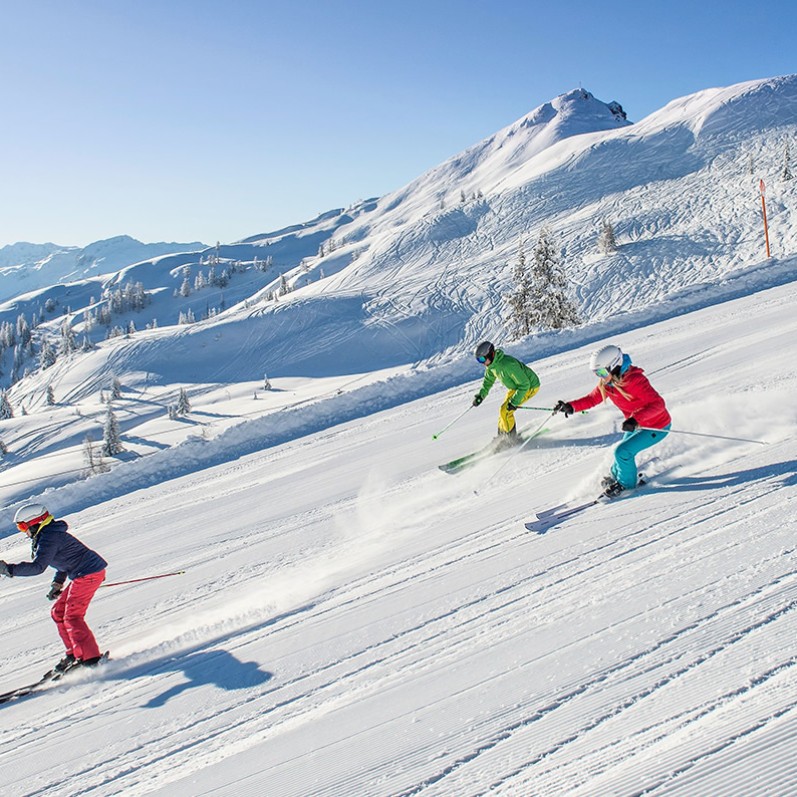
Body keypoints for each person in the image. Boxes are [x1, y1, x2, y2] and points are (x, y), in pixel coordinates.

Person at [0, 503, 107, 675]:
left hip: (88, 574)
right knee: (58, 612)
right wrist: (58, 583)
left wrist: (9, 569)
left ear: (34, 523)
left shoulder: (50, 537)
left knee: (72, 616)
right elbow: (64, 561)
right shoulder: (48, 535)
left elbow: (38, 567)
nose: (23, 532)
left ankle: (91, 659)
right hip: (83, 573)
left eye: (22, 527)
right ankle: (74, 654)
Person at [553, 344, 671, 497]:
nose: (600, 377)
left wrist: (635, 419)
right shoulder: (608, 384)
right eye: (596, 373)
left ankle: (626, 485)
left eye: (602, 372)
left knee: (622, 452)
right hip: (637, 425)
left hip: (656, 426)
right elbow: (592, 399)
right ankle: (617, 476)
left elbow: (658, 404)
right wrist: (571, 406)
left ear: (614, 366)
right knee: (618, 458)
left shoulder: (635, 380)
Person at [472, 341, 541, 446]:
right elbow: (488, 381)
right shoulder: (491, 366)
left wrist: (514, 402)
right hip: (516, 387)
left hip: (530, 387)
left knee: (506, 411)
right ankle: (501, 436)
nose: (481, 363)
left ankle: (511, 440)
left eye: (482, 359)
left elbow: (525, 384)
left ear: (490, 354)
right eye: (478, 360)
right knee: (502, 411)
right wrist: (481, 395)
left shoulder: (508, 365)